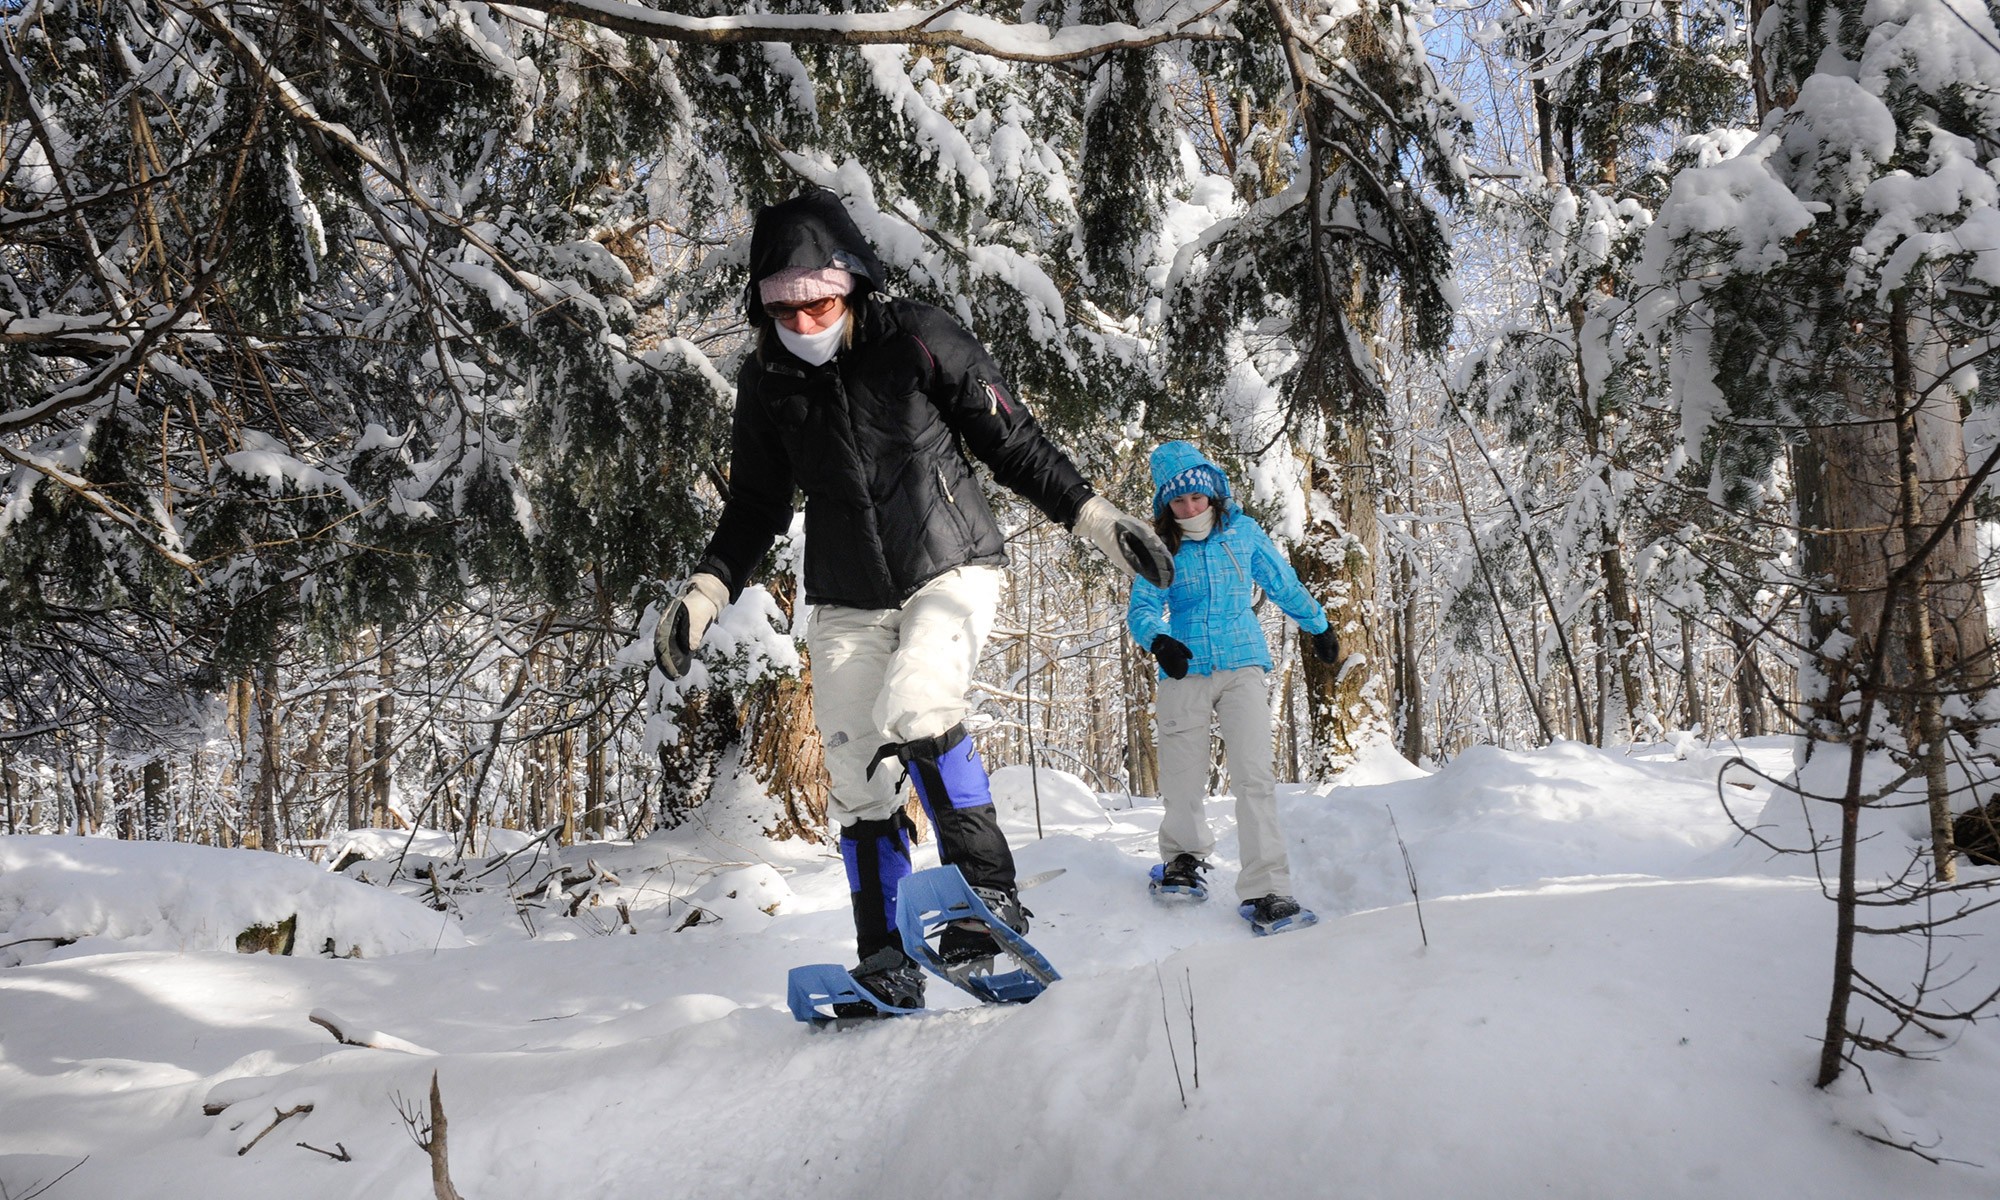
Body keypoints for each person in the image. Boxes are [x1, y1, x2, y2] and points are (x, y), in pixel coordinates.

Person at [655, 189, 1173, 1012]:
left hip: (950, 562)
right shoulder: (767, 380)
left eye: (818, 300)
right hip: (845, 594)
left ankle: (986, 894)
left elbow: (1014, 440)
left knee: (921, 702)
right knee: (858, 774)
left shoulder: (919, 339)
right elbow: (755, 505)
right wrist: (705, 593)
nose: (803, 319)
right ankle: (885, 957)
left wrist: (1096, 519)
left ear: (853, 282)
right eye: (783, 307)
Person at [1125, 441, 1341, 934]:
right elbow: (1141, 608)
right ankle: (1181, 861)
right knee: (1182, 777)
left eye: (1197, 498)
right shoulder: (1159, 548)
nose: (1190, 508)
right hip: (1184, 672)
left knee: (1254, 777)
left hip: (1242, 663)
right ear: (1165, 505)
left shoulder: (1242, 533)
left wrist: (1319, 625)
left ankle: (1268, 889)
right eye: (1178, 502)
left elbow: (1282, 581)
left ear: (1213, 492)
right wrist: (1158, 641)